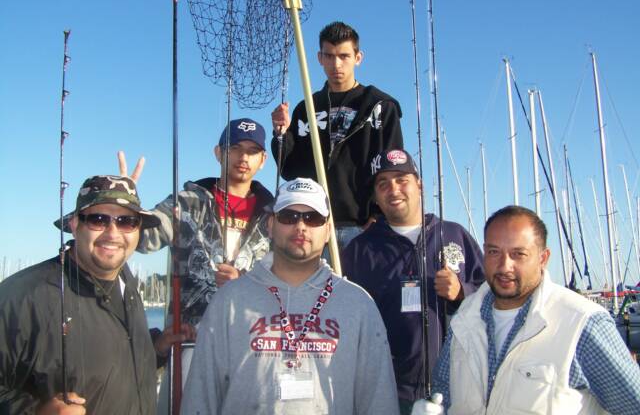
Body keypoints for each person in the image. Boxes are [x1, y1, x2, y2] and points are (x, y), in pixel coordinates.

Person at [181, 178, 400, 415]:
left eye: (313, 218)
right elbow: (200, 398)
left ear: (327, 230)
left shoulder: (360, 305)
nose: (301, 226)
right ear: (271, 225)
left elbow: (380, 401)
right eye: (289, 216)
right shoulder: (228, 301)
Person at [433, 205, 640, 414]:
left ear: (543, 258)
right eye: (494, 252)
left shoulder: (582, 324)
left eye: (518, 254)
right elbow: (443, 393)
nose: (505, 266)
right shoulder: (464, 320)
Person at [0, 175, 162, 414]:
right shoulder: (23, 296)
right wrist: (35, 412)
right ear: (75, 225)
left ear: (138, 230)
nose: (113, 233)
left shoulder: (126, 283)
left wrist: (157, 349)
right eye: (98, 219)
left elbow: (111, 355)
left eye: (127, 221)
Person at [341, 149, 484, 415]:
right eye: (382, 184)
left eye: (401, 179)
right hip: (386, 393)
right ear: (375, 196)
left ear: (419, 185)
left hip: (456, 390)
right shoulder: (359, 250)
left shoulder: (455, 235)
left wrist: (462, 292)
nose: (393, 189)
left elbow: (492, 295)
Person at [271, 21, 404, 249]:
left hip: (363, 227)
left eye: (344, 56)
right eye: (329, 56)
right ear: (319, 58)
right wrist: (281, 134)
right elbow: (290, 169)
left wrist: (377, 216)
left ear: (358, 57)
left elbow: (391, 165)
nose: (336, 64)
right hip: (315, 225)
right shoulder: (307, 108)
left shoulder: (380, 105)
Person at [135, 118, 274, 327]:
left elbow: (287, 277)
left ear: (263, 160)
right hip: (192, 337)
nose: (243, 156)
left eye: (253, 151)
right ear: (218, 153)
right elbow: (143, 237)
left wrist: (244, 282)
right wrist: (124, 207)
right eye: (235, 147)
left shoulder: (275, 214)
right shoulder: (187, 202)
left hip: (254, 335)